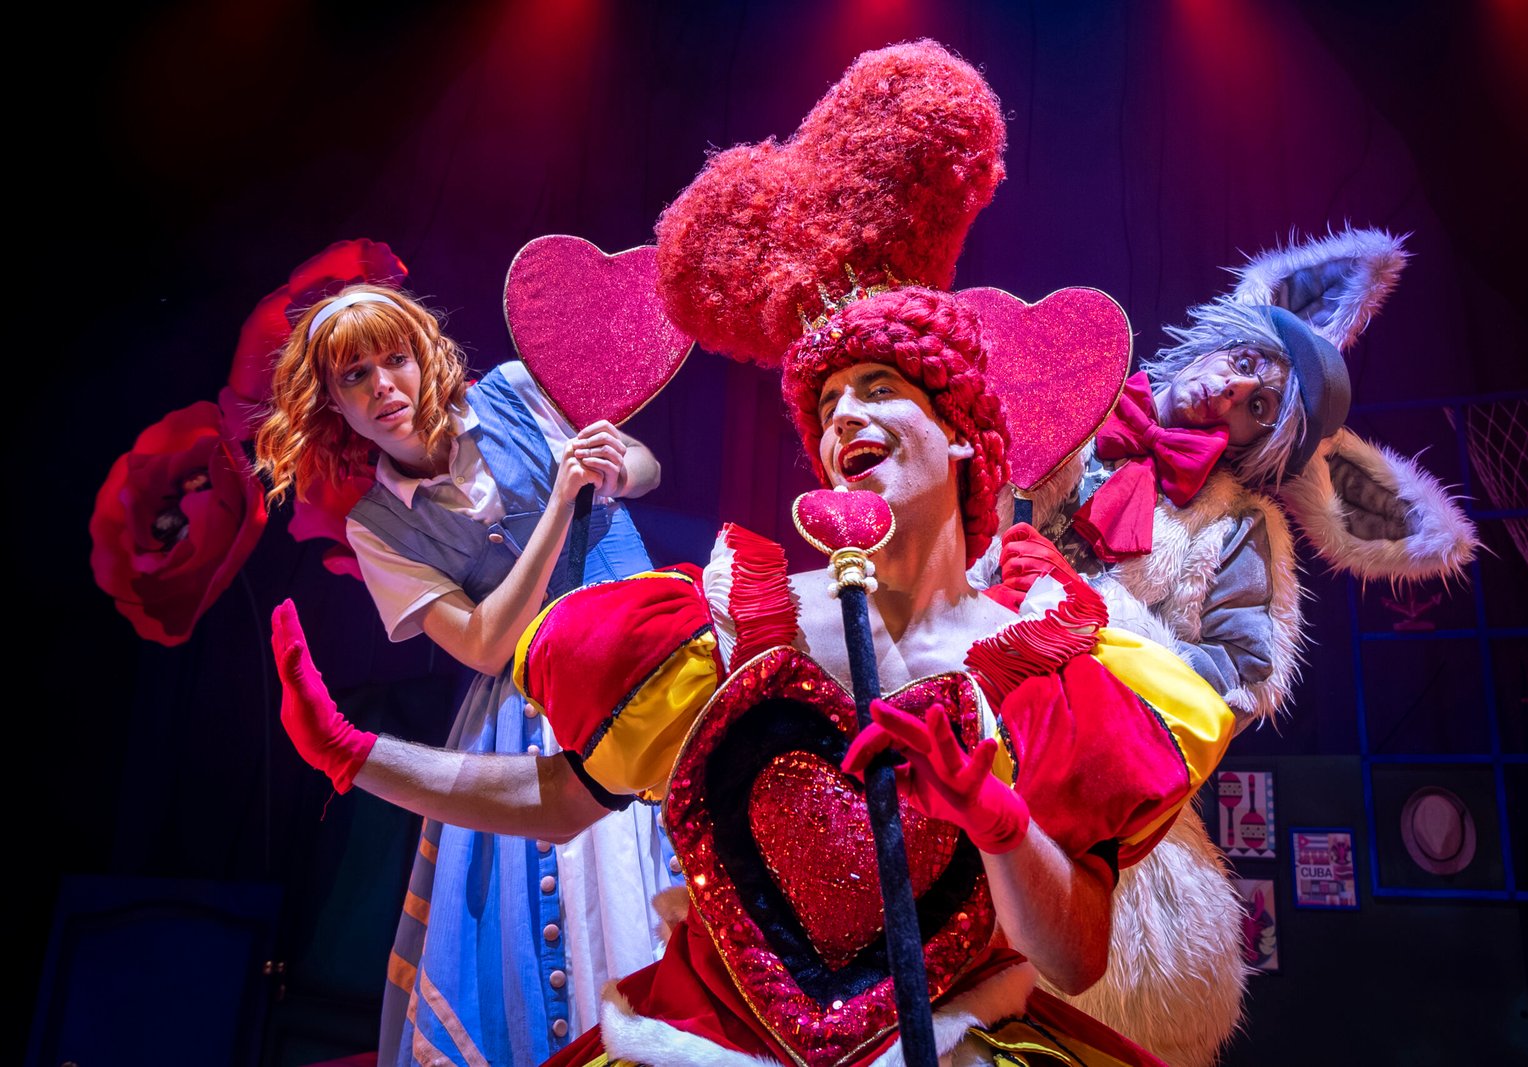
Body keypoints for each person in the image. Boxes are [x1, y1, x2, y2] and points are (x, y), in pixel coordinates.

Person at [269, 284, 1237, 1066]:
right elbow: (560, 799)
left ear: (956, 435)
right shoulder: (731, 625)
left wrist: (1001, 824)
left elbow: (1072, 957)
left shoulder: (1046, 666)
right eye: (826, 404)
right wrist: (357, 756)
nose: (842, 413)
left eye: (877, 386)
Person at [983, 228, 1475, 1066]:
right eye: (1244, 363)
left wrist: (1092, 617)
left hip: (1094, 790)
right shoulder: (1080, 405)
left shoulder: (1240, 527)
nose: (1230, 390)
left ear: (1264, 446)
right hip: (962, 706)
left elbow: (1239, 681)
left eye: (1258, 407)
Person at [254, 282, 678, 1066]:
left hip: (656, 662)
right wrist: (562, 502)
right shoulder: (377, 527)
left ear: (423, 357)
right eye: (355, 376)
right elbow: (485, 644)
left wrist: (616, 467)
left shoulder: (514, 391)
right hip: (536, 709)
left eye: (395, 359)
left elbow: (645, 466)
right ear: (332, 403)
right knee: (556, 936)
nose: (384, 386)